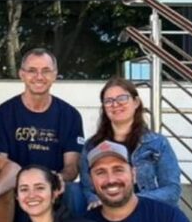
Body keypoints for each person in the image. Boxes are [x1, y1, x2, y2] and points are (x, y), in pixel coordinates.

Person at [0, 48, 85, 222]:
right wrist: (28, 182)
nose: (39, 76)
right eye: (32, 70)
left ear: (55, 75)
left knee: (74, 192)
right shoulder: (2, 114)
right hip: (16, 186)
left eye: (46, 70)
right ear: (21, 74)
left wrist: (57, 178)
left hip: (53, 186)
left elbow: (72, 167)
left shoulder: (70, 115)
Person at [69, 76, 182, 214]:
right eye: (108, 101)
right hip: (108, 212)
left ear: (136, 102)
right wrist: (96, 201)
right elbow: (88, 188)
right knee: (73, 192)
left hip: (147, 211)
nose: (115, 104)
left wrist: (129, 200)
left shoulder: (157, 143)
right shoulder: (92, 146)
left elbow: (172, 190)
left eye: (122, 98)